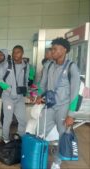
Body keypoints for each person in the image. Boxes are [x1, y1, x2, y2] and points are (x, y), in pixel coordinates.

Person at [36, 38, 80, 169]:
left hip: (64, 108)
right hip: (49, 105)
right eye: (51, 49)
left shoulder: (72, 67)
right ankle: (38, 157)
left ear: (64, 50)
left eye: (55, 49)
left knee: (62, 136)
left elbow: (75, 93)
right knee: (40, 131)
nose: (52, 51)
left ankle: (57, 162)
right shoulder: (48, 65)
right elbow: (43, 84)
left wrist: (71, 114)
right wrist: (39, 95)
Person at [0, 45, 29, 143]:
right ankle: (5, 139)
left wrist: (25, 92)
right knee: (8, 120)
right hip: (8, 97)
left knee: (23, 120)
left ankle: (20, 137)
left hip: (19, 98)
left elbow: (26, 80)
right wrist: (9, 89)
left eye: (18, 52)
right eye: (14, 52)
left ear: (22, 53)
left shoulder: (26, 66)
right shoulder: (7, 65)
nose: (15, 54)